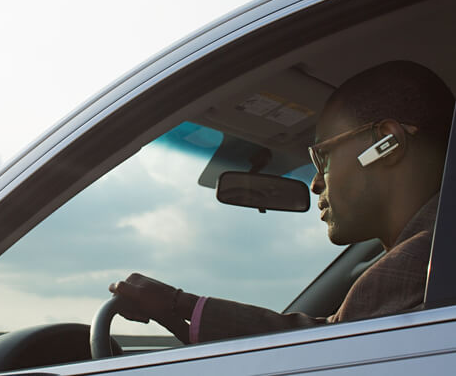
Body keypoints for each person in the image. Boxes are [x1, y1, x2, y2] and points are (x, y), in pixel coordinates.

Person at [109, 60, 455, 344]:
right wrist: (180, 307)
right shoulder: (432, 255)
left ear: (386, 144)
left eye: (324, 157)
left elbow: (324, 352)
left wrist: (178, 302)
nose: (317, 182)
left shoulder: (422, 261)